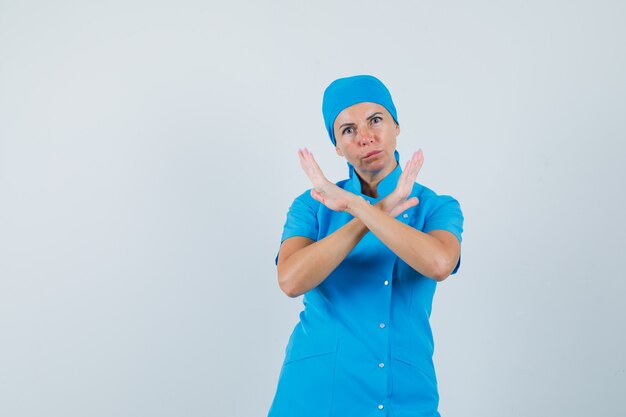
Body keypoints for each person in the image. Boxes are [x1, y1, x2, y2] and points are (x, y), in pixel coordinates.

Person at [267, 75, 464, 417]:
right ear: (337, 147)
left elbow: (439, 264)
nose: (365, 137)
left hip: (404, 394)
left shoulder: (437, 207)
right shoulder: (312, 205)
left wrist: (357, 206)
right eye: (348, 130)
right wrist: (376, 211)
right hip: (316, 394)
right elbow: (291, 280)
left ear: (396, 125)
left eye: (375, 120)